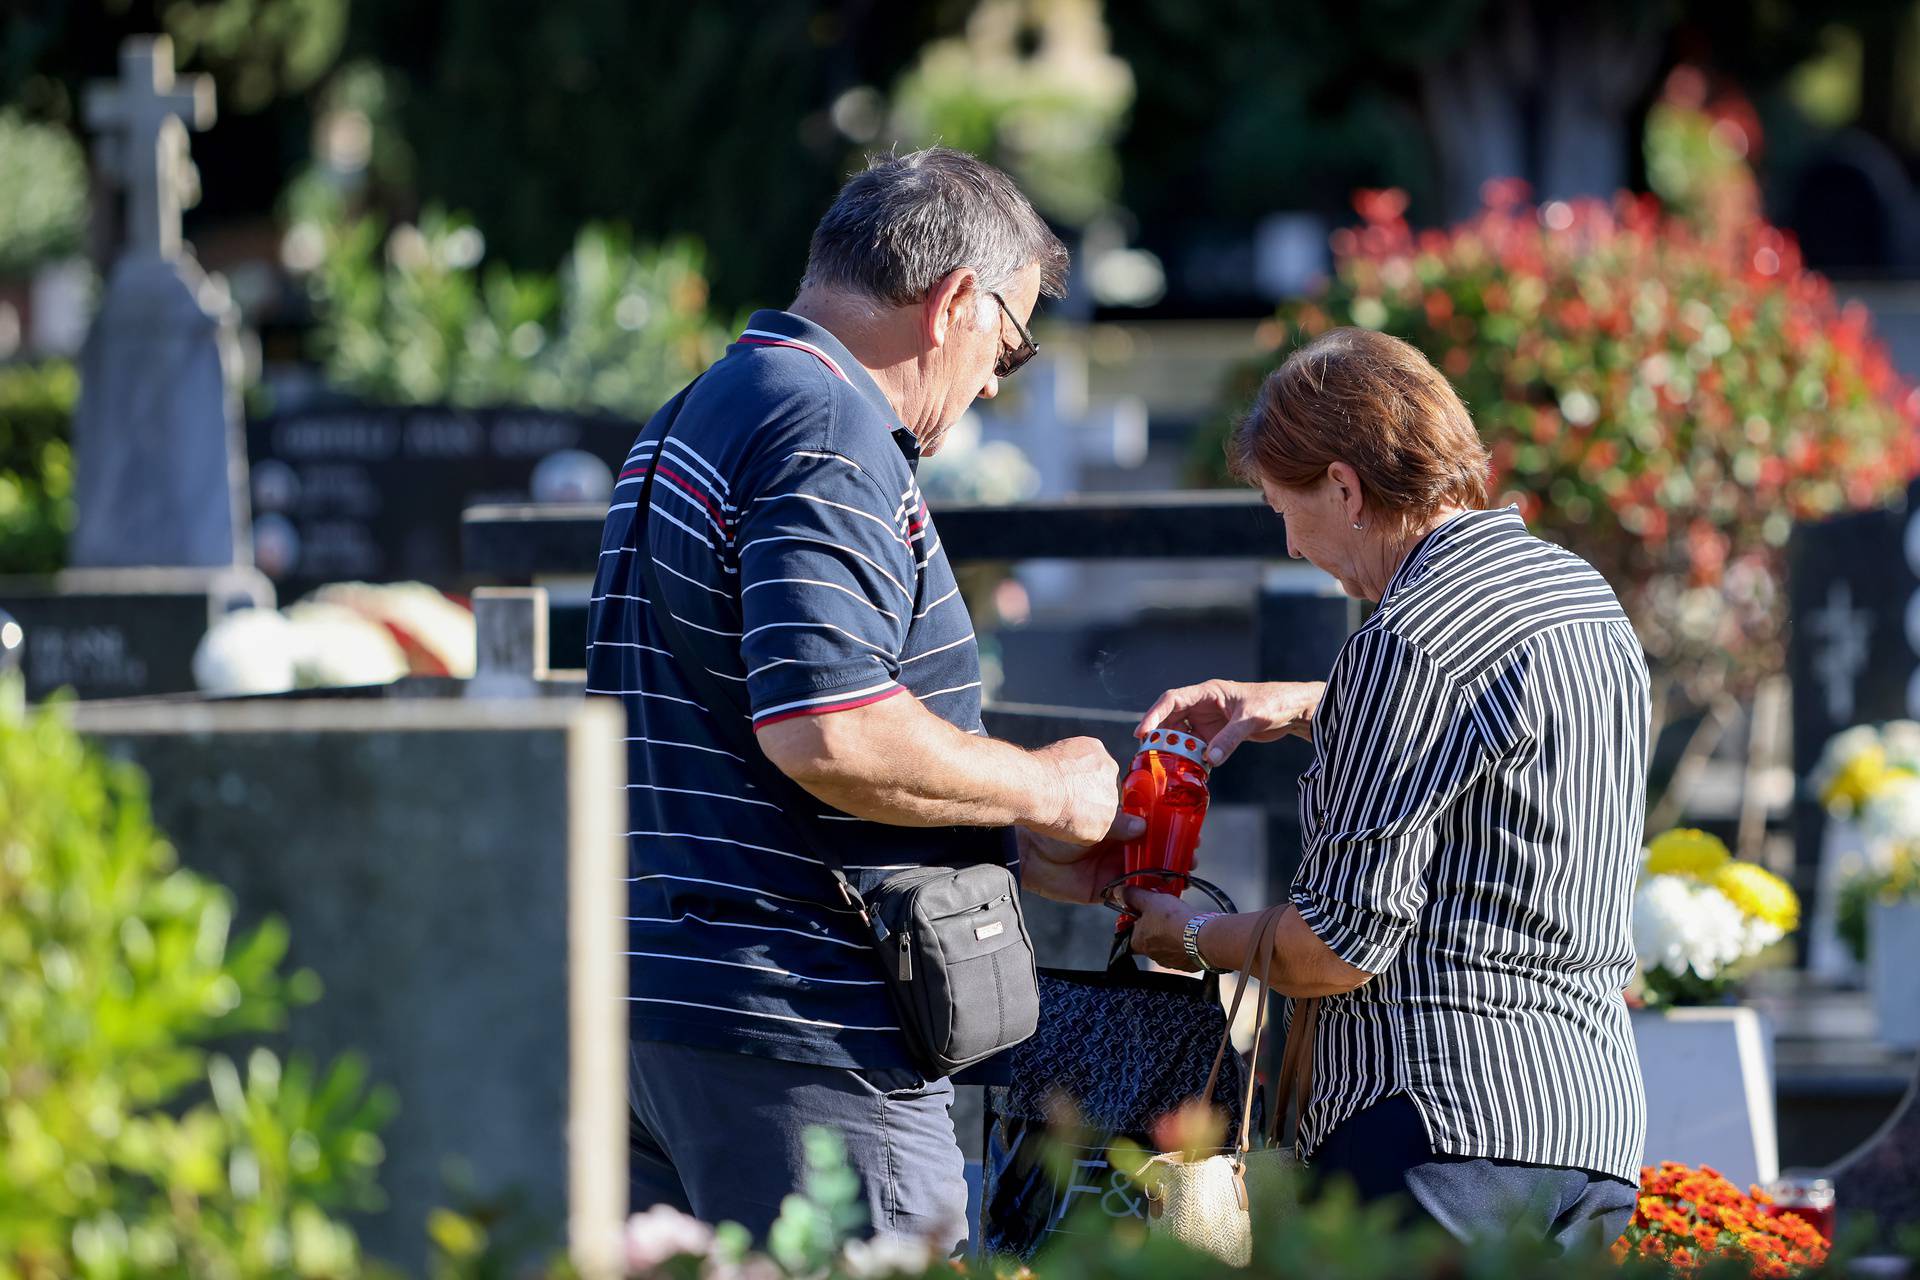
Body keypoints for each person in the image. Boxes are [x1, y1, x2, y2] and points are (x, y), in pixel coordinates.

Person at [586, 147, 1136, 1250]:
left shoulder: (699, 408)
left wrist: (990, 829)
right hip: (806, 1033)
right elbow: (826, 726)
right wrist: (1048, 789)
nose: (992, 382)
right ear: (955, 304)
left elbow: (745, 736)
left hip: (657, 1009)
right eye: (1010, 345)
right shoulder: (829, 427)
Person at [1122, 327, 1648, 1248]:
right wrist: (1314, 704)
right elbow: (1498, 737)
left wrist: (1192, 936)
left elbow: (1335, 944)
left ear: (1344, 487)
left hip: (1435, 1127)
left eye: (1284, 508)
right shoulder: (1576, 594)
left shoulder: (1403, 641)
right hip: (1588, 1126)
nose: (1289, 546)